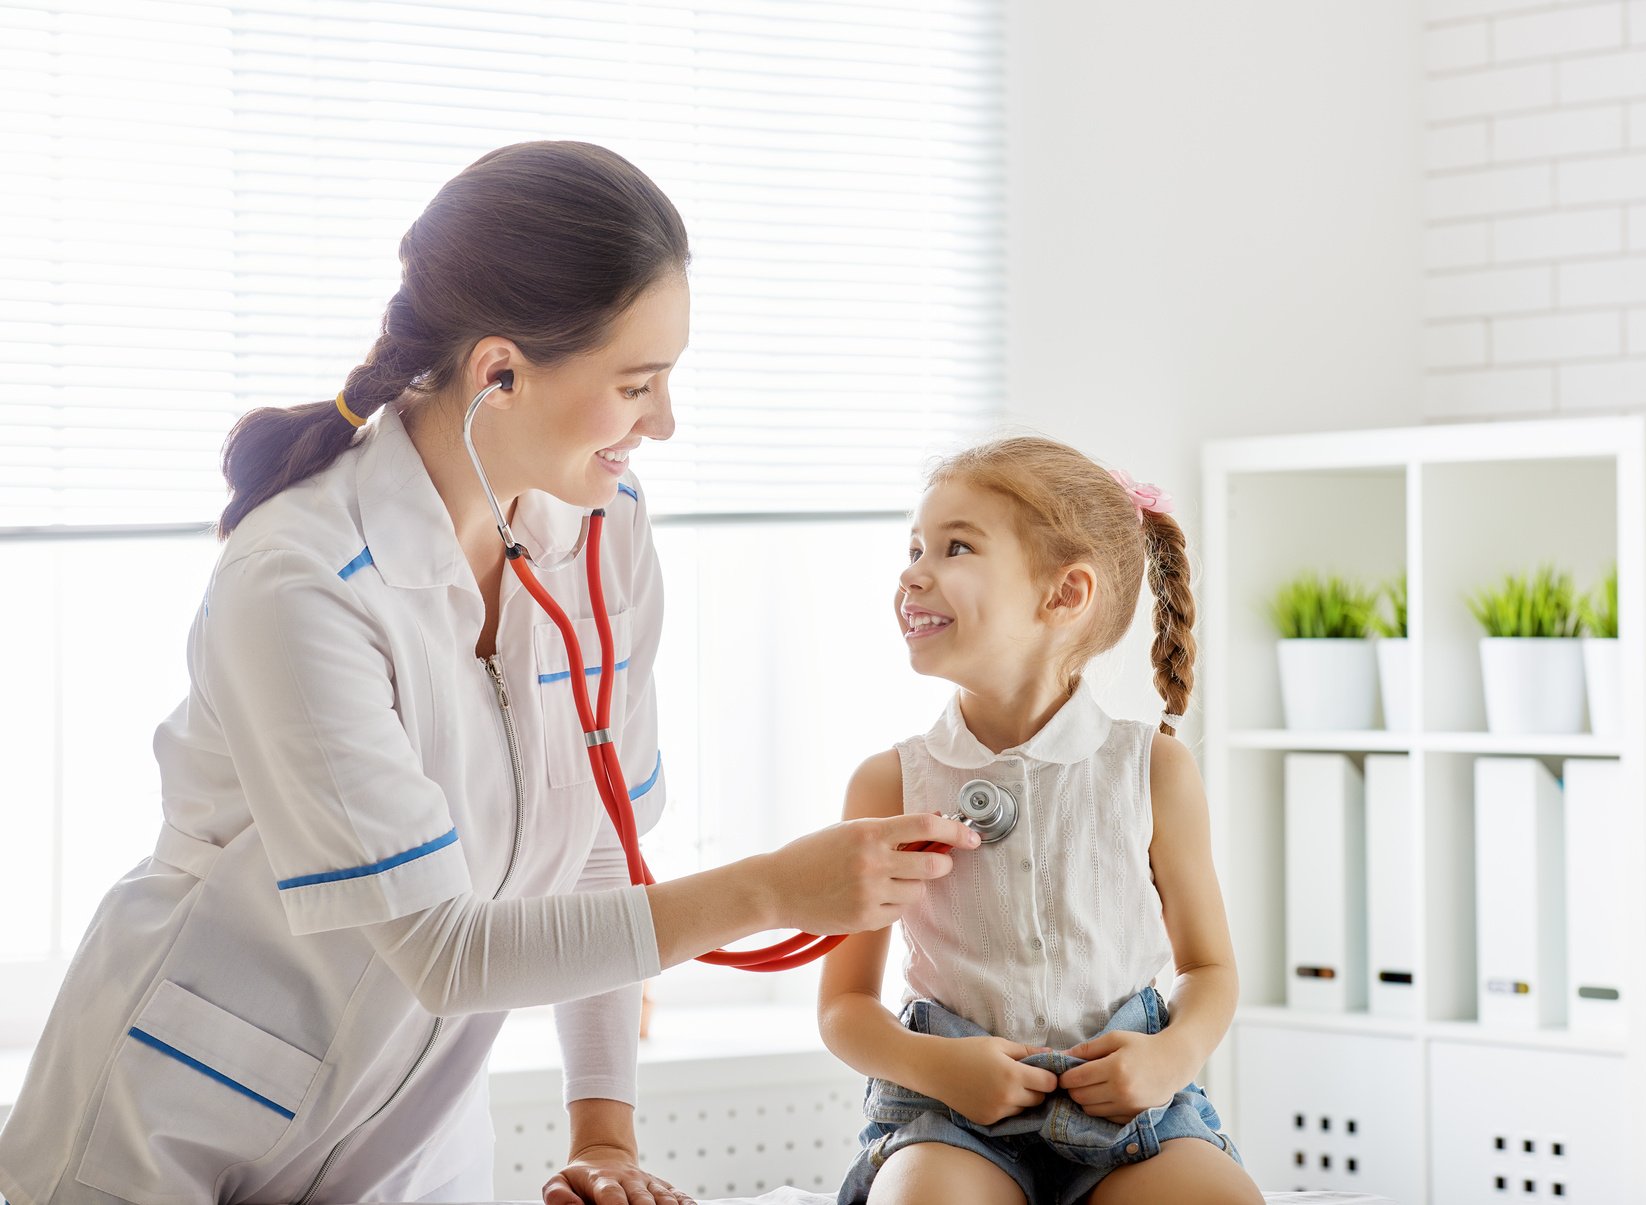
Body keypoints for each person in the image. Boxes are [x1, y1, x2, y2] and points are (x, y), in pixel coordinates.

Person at [0, 141, 978, 1205]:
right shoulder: (300, 581)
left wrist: (603, 1128)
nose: (664, 423)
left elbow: (600, 844)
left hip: (407, 1146)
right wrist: (771, 888)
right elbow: (442, 948)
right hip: (171, 1127)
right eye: (636, 384)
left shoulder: (605, 532)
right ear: (499, 371)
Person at [817, 437, 1265, 1205]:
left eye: (955, 546)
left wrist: (1169, 1058)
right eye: (915, 544)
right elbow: (843, 1006)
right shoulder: (891, 781)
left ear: (1064, 595)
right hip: (950, 1116)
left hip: (1132, 1118)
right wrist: (940, 1068)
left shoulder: (1153, 769)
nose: (913, 570)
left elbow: (1209, 970)